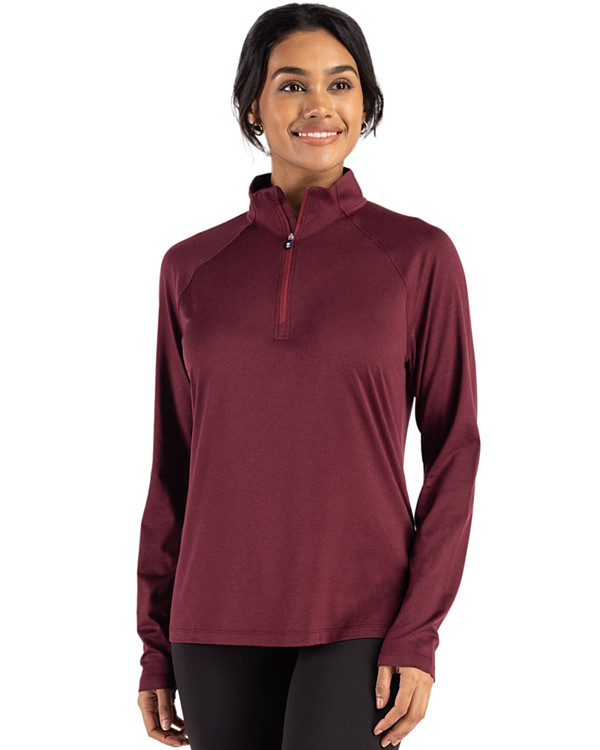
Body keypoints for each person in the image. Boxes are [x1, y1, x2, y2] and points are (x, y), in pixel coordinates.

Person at [136, 4, 480, 749]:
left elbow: (454, 451)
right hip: (213, 620)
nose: (319, 105)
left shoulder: (419, 257)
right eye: (291, 85)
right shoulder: (190, 268)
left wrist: (418, 631)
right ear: (252, 107)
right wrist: (154, 642)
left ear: (366, 105)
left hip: (363, 615)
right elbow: (172, 465)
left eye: (341, 84)